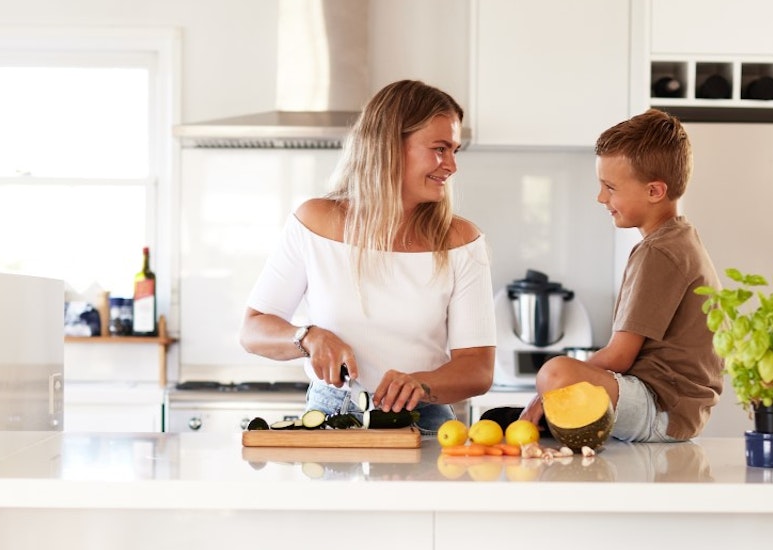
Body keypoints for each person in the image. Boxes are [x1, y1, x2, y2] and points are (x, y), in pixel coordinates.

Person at [239, 79, 496, 433]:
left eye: (454, 150)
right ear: (390, 147)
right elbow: (253, 330)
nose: (451, 165)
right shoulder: (315, 222)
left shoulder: (462, 241)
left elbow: (478, 369)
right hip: (330, 418)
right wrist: (307, 337)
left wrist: (421, 385)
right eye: (440, 148)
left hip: (424, 423)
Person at [520, 109, 723, 442]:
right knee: (560, 376)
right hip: (673, 408)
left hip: (660, 408)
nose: (601, 197)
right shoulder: (678, 239)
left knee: (555, 373)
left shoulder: (659, 252)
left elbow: (619, 356)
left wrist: (539, 398)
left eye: (610, 187)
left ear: (655, 191)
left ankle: (546, 422)